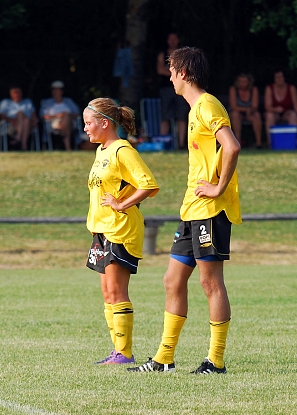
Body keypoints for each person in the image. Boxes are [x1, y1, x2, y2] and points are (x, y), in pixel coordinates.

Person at [130, 46, 241, 375]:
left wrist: (218, 187)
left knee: (211, 283)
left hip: (210, 209)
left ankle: (215, 361)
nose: (169, 76)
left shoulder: (207, 106)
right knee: (171, 280)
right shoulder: (195, 110)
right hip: (192, 210)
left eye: (172, 70)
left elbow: (232, 146)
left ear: (185, 73)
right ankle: (164, 359)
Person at [84, 98, 160, 365]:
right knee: (107, 293)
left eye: (89, 123)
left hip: (120, 229)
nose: (85, 129)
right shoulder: (101, 151)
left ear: (104, 123)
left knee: (117, 292)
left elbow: (148, 185)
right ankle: (117, 351)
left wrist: (121, 204)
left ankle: (125, 353)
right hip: (101, 230)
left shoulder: (122, 150)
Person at [156, 33, 188, 149]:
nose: (173, 41)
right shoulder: (162, 54)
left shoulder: (183, 55)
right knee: (165, 116)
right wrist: (176, 73)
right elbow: (160, 70)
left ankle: (181, 144)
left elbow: (187, 70)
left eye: (175, 39)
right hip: (166, 89)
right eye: (170, 39)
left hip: (181, 88)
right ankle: (163, 144)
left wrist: (168, 71)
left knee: (181, 116)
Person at [264, 69, 297, 148]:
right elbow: (267, 107)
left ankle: (292, 142)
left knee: (293, 115)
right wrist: (275, 109)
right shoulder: (269, 88)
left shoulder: (291, 88)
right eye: (277, 77)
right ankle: (271, 143)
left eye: (281, 77)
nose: (279, 79)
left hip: (286, 113)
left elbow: (296, 104)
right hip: (274, 113)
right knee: (269, 115)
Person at [40, 80, 81, 151]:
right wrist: (58, 115)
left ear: (62, 91)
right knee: (66, 123)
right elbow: (42, 116)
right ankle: (68, 148)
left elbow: (77, 113)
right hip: (53, 123)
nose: (55, 92)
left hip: (70, 122)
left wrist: (67, 115)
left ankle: (63, 132)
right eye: (53, 90)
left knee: (66, 118)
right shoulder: (47, 103)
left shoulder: (69, 101)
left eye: (57, 90)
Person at [228, 73, 262, 148]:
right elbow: (233, 106)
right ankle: (238, 142)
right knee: (235, 115)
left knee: (257, 115)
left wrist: (250, 110)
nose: (242, 84)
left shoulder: (253, 89)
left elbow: (255, 105)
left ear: (249, 82)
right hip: (237, 113)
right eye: (240, 81)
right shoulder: (233, 89)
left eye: (244, 81)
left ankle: (259, 143)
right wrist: (246, 109)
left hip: (250, 113)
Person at [0, 85, 36, 151]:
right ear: (11, 94)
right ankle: (23, 145)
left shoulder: (27, 102)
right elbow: (2, 117)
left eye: (19, 92)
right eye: (15, 92)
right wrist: (14, 120)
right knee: (21, 115)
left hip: (28, 126)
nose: (17, 94)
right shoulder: (6, 102)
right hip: (11, 125)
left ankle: (18, 139)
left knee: (24, 118)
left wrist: (34, 121)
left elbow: (34, 116)